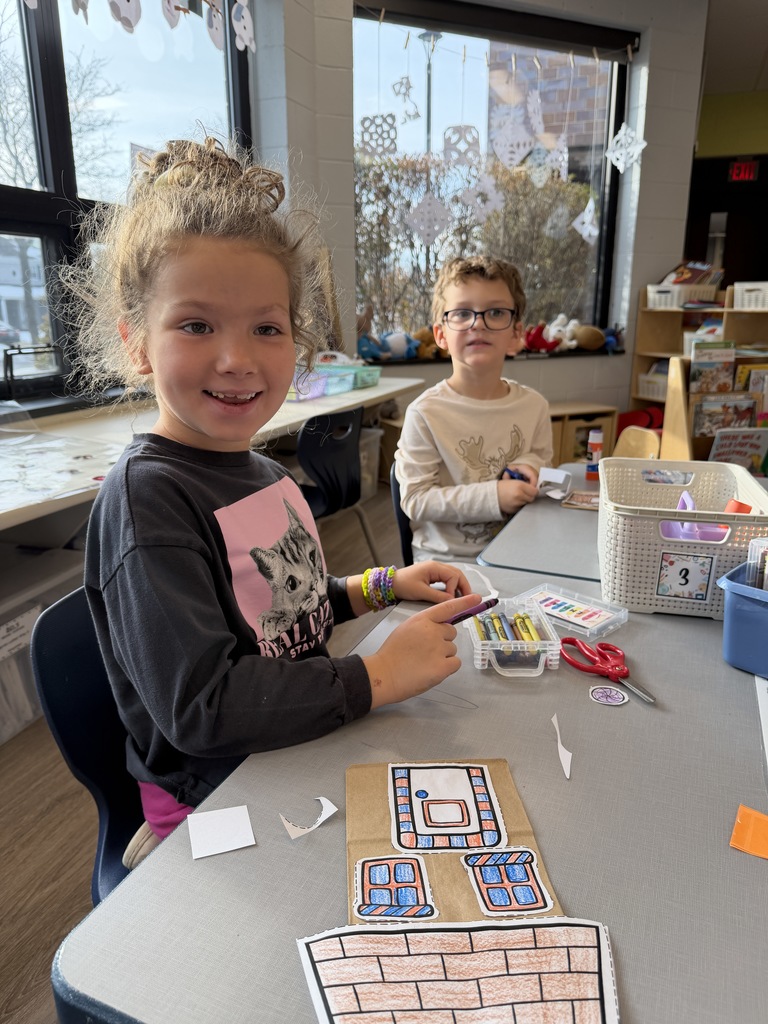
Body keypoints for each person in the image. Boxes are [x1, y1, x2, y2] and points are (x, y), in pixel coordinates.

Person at [63, 136, 480, 863]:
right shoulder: (147, 501)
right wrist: (375, 675)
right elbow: (204, 707)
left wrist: (381, 586)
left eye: (267, 327)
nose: (238, 358)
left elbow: (286, 609)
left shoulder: (260, 473)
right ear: (136, 344)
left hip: (293, 746)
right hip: (213, 802)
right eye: (196, 325)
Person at [394, 256, 553, 563]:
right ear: (441, 334)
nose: (478, 323)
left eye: (495, 312)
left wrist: (531, 467)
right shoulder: (425, 413)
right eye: (463, 313)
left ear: (516, 334)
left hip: (520, 553)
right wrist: (493, 496)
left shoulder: (535, 406)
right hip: (448, 563)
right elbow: (415, 500)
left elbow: (541, 465)